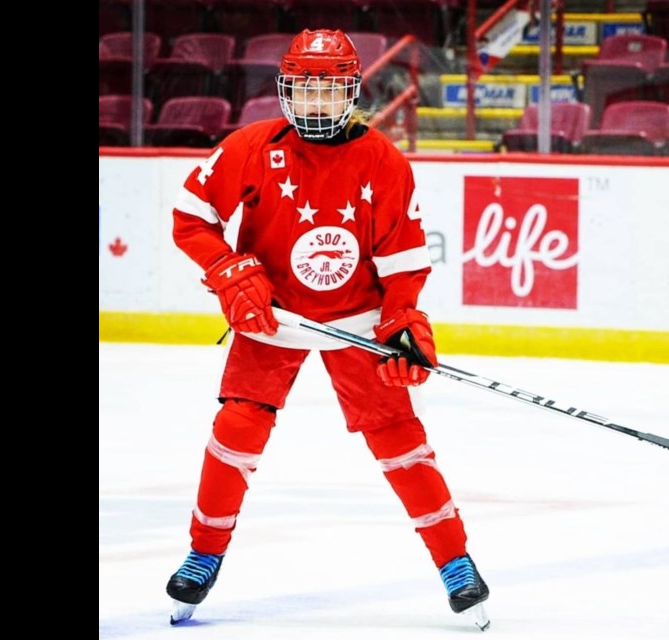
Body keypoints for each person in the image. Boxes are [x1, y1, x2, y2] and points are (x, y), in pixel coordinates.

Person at [165, 29, 490, 630]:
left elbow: (402, 262)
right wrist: (228, 268)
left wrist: (402, 318)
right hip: (274, 319)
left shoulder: (382, 159)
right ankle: (202, 555)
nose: (316, 103)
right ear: (287, 90)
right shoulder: (253, 147)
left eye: (329, 90)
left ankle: (456, 563)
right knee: (236, 428)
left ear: (351, 92)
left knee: (399, 438)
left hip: (356, 321)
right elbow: (191, 217)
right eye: (305, 89)